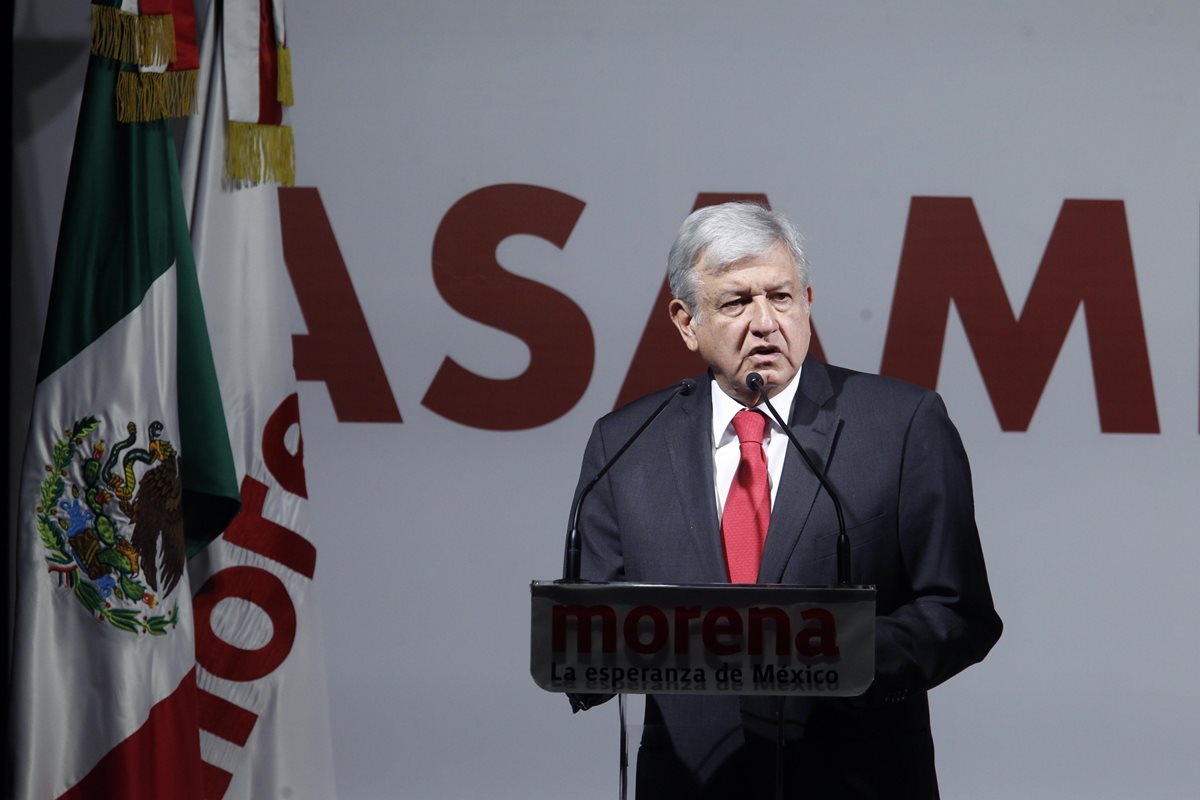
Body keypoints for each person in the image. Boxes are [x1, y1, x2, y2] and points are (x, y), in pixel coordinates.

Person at [569, 202, 1002, 798]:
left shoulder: (900, 425)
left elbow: (959, 610)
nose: (765, 322)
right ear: (685, 321)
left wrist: (838, 656)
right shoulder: (626, 447)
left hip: (854, 778)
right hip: (692, 783)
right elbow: (590, 627)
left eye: (781, 296)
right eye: (736, 302)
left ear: (808, 303)